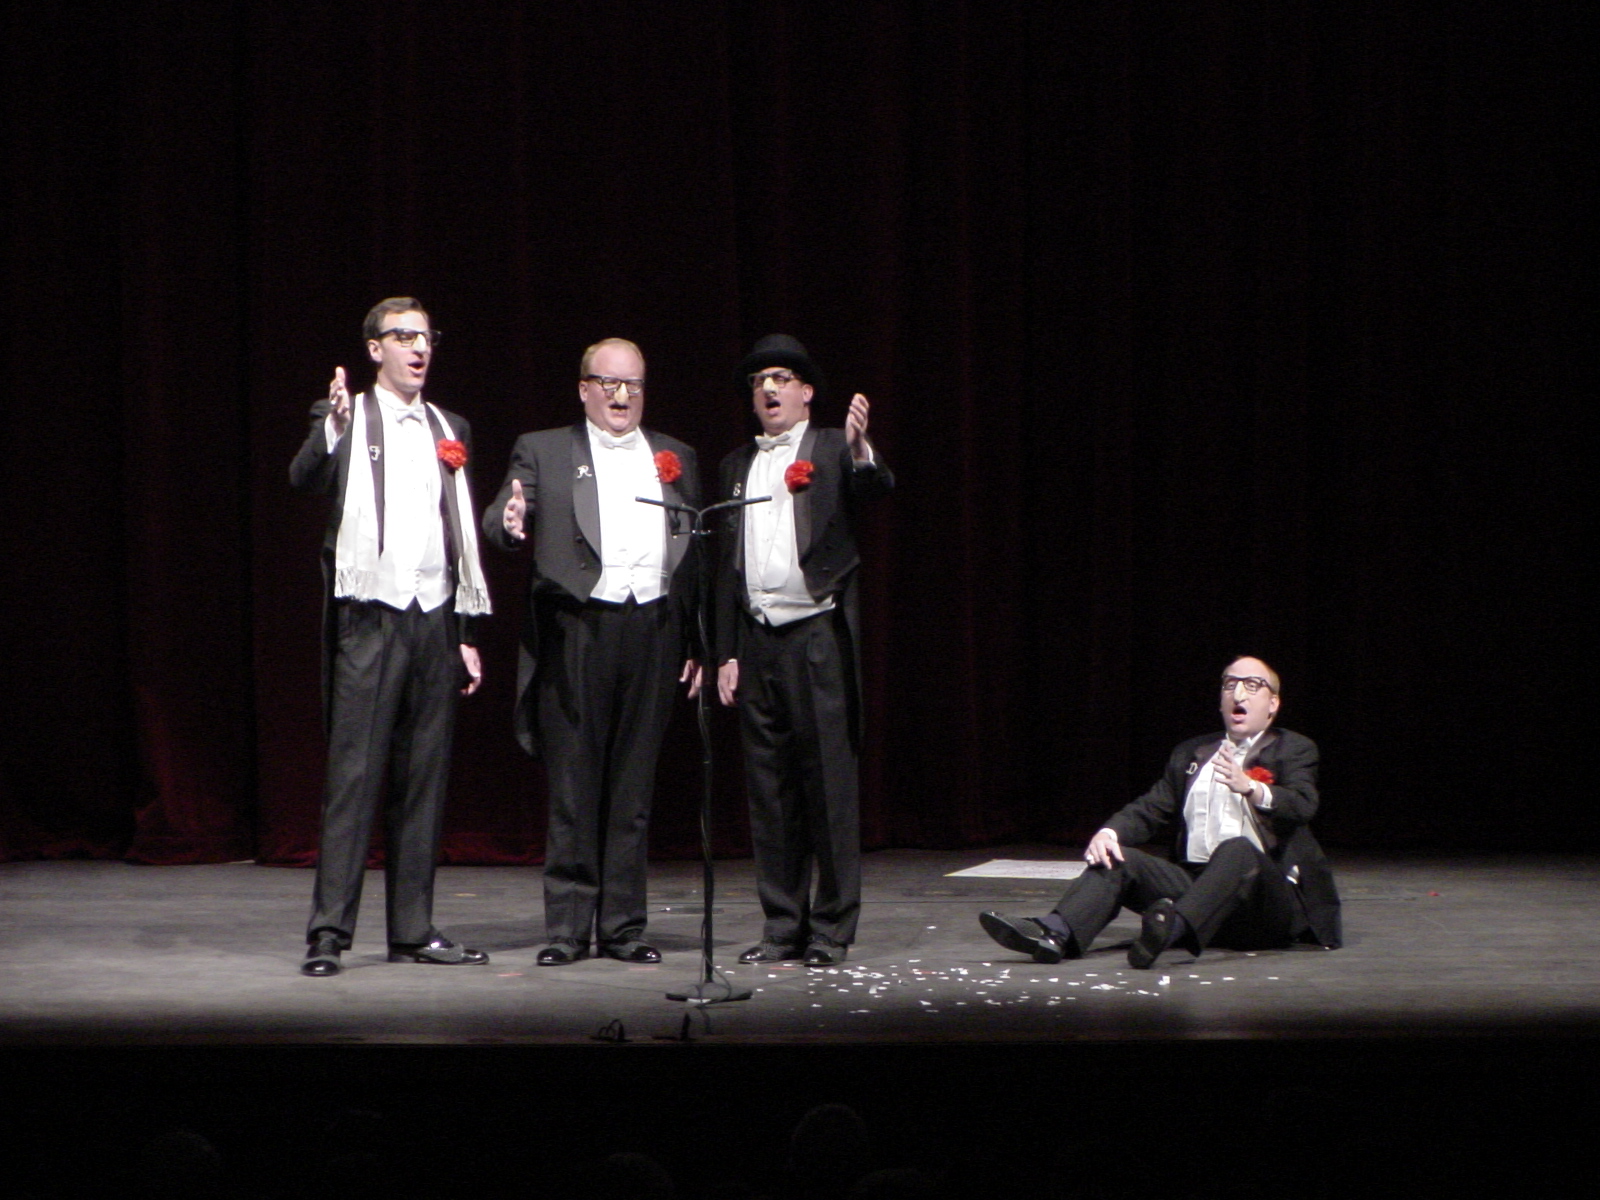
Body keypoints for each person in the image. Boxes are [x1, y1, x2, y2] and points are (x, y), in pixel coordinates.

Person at [289, 297, 492, 977]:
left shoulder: (450, 427)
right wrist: (333, 429)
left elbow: (455, 536)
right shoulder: (347, 416)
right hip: (370, 618)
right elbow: (302, 479)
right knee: (354, 779)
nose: (419, 348)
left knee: (423, 781)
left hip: (433, 619)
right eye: (404, 337)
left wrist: (464, 633)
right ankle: (329, 933)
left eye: (426, 337)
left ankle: (412, 928)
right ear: (375, 349)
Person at [483, 338, 701, 965]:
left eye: (633, 384)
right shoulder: (545, 449)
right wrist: (510, 522)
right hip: (579, 629)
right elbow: (504, 511)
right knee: (575, 786)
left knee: (633, 788)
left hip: (653, 628)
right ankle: (569, 929)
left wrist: (695, 640)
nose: (621, 395)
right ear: (584, 389)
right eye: (609, 383)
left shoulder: (676, 455)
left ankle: (625, 927)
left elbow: (695, 554)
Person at [715, 335, 894, 967]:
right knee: (770, 791)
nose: (769, 388)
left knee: (828, 786)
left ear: (806, 392)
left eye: (782, 378)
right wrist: (727, 651)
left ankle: (830, 929)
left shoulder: (831, 447)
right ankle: (782, 926)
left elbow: (875, 489)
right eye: (759, 380)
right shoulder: (736, 464)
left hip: (816, 636)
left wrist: (861, 451)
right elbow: (725, 567)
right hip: (758, 639)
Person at [979, 656, 1341, 968]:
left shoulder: (1294, 748)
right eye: (1230, 684)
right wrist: (1109, 833)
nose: (1238, 693)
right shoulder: (1192, 753)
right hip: (1199, 889)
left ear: (1273, 703)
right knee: (1120, 858)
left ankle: (1171, 929)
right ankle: (1055, 933)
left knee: (1237, 849)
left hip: (1262, 902)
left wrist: (1251, 787)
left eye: (1252, 685)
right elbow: (1152, 807)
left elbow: (1302, 804)